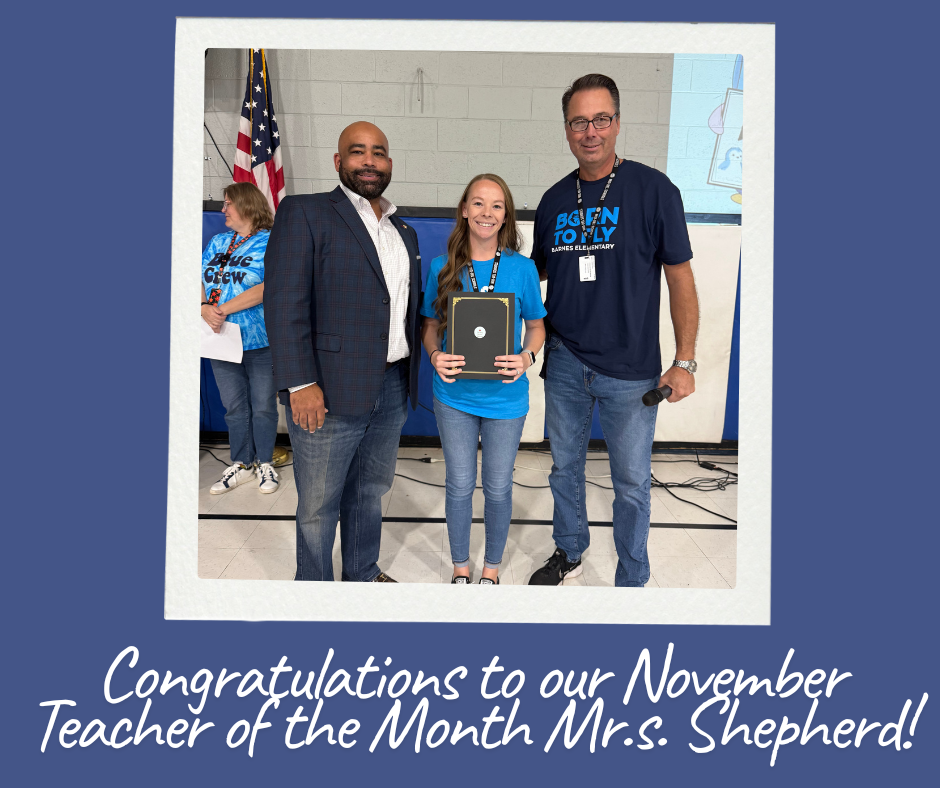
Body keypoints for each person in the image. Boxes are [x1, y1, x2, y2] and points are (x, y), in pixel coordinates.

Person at [528, 74, 699, 588]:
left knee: (630, 484)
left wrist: (685, 361)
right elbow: (529, 277)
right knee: (564, 471)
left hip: (631, 371)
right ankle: (570, 550)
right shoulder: (554, 200)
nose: (591, 131)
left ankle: (632, 577)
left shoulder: (653, 190)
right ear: (566, 130)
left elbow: (681, 279)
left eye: (601, 119)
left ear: (617, 123)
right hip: (563, 363)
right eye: (579, 121)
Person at [264, 122, 423, 583]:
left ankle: (362, 572)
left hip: (392, 386)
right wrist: (299, 382)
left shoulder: (402, 230)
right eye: (358, 152)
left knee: (370, 492)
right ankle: (313, 589)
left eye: (379, 152)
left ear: (390, 164)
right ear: (339, 162)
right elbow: (284, 302)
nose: (369, 161)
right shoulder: (305, 212)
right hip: (326, 390)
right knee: (317, 504)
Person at [421, 174, 546, 585]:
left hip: (506, 399)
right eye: (478, 203)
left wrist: (526, 357)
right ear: (464, 209)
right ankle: (461, 568)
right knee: (458, 485)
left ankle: (491, 568)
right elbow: (429, 327)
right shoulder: (442, 267)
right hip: (454, 396)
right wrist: (435, 355)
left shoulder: (522, 268)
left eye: (496, 205)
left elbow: (537, 327)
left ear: (506, 215)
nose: (486, 213)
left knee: (496, 488)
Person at [201, 182, 280, 495]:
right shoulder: (218, 241)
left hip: (259, 340)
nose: (223, 210)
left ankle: (265, 462)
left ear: (247, 205)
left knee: (262, 405)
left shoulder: (271, 242)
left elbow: (267, 287)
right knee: (234, 406)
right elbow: (199, 278)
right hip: (220, 339)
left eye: (228, 204)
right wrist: (204, 307)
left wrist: (220, 309)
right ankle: (241, 462)